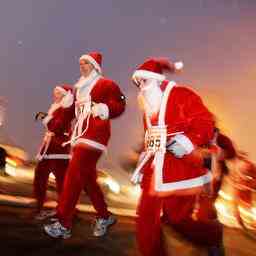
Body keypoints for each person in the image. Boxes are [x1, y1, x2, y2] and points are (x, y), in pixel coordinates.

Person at [130, 57, 215, 256]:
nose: (141, 87)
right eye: (138, 83)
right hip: (154, 171)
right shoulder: (148, 110)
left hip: (181, 169)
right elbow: (149, 141)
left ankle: (212, 236)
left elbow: (205, 122)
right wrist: (143, 168)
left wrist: (187, 141)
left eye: (144, 81)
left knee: (177, 220)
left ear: (157, 80)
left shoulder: (182, 95)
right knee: (145, 220)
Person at [44, 52, 126, 239]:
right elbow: (67, 117)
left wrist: (105, 109)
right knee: (87, 180)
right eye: (80, 63)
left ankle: (64, 224)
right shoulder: (79, 88)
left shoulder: (106, 84)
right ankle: (105, 216)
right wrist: (52, 120)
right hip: (79, 137)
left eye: (86, 63)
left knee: (73, 176)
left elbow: (121, 103)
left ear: (95, 66)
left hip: (95, 137)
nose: (82, 66)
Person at [162, 129, 237, 256]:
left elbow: (231, 153)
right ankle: (211, 242)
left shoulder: (219, 138)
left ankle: (214, 245)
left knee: (206, 211)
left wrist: (215, 153)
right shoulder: (190, 136)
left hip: (211, 179)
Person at [33, 84, 75, 220]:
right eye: (54, 92)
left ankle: (65, 212)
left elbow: (58, 126)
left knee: (61, 182)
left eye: (58, 93)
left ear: (65, 95)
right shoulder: (55, 108)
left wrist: (45, 117)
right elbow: (53, 127)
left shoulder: (67, 109)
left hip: (59, 150)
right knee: (40, 177)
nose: (54, 95)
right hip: (49, 148)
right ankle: (39, 206)